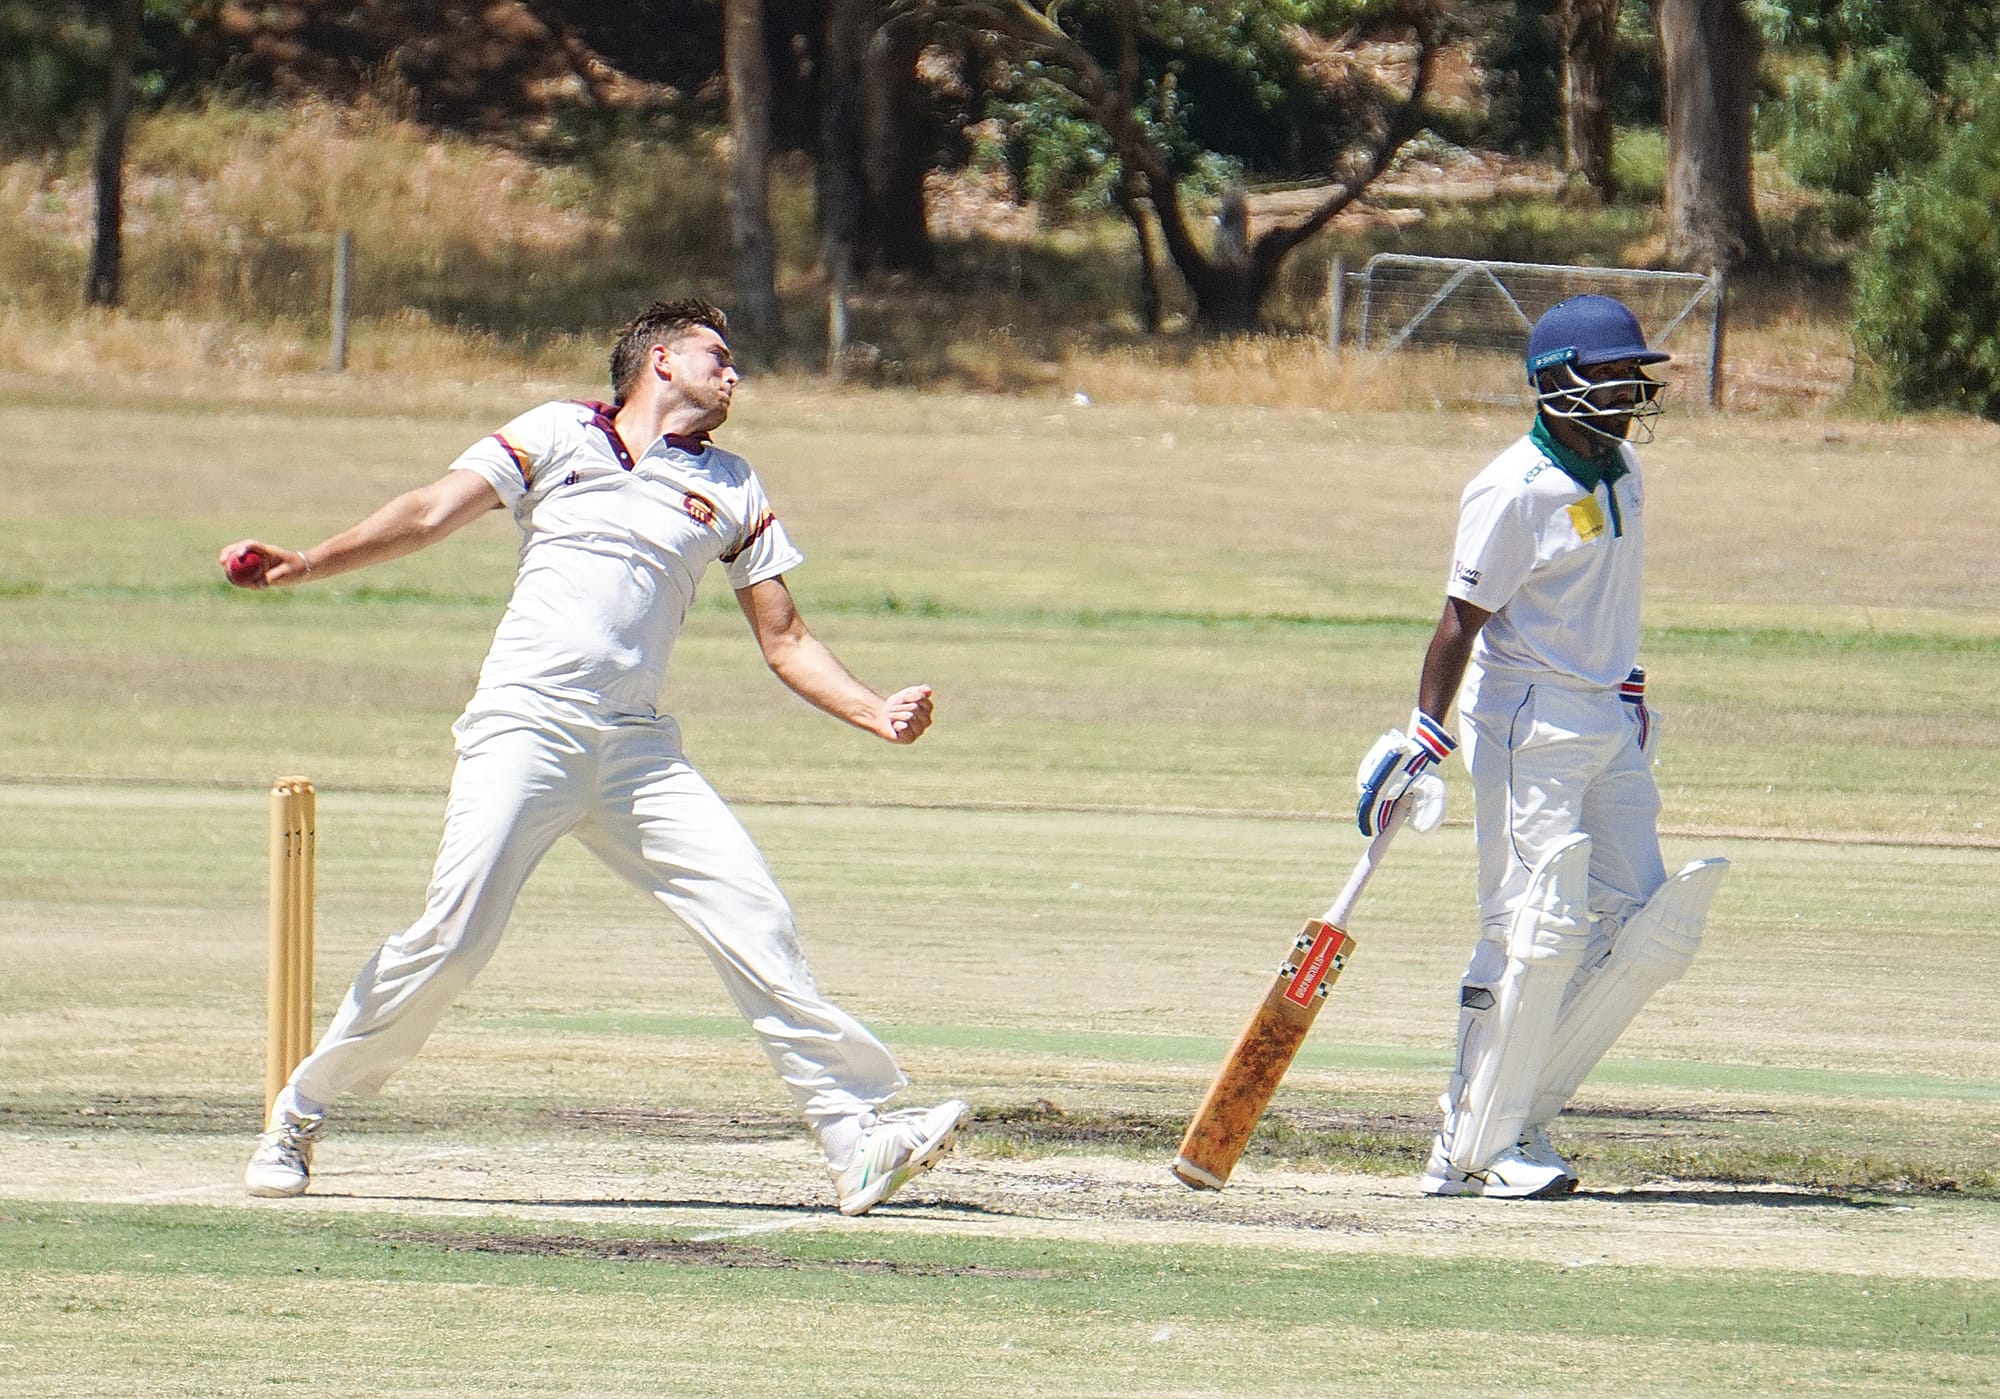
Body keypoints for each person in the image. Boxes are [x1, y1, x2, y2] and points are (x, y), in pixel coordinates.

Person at [221, 298, 968, 1216]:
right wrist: (304, 562)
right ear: (659, 360)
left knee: (754, 913)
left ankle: (852, 1138)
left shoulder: (733, 484)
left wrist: (874, 710)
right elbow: (427, 512)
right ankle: (299, 1111)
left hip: (637, 752)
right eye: (717, 355)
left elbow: (787, 639)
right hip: (524, 725)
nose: (735, 374)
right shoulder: (558, 433)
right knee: (453, 940)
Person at [1355, 294, 1728, 1199]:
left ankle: (1512, 1115)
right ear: (1558, 381)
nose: (1631, 388)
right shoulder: (1514, 488)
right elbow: (1458, 620)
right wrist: (1425, 731)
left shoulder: (1625, 468)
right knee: (1528, 924)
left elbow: (1606, 597)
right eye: (1611, 373)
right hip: (1528, 720)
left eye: (1634, 374)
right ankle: (1469, 1133)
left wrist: (1628, 685)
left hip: (1607, 713)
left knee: (1644, 925)